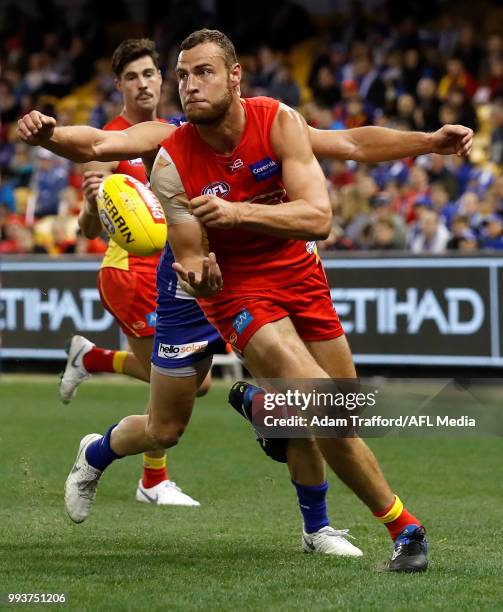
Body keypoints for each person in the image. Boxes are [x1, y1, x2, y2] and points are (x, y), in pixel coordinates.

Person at [17, 30, 472, 568]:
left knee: (333, 413)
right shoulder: (166, 149)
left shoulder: (276, 120)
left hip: (296, 273)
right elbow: (99, 152)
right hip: (210, 281)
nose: (186, 84)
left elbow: (345, 150)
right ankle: (405, 528)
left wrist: (427, 141)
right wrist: (46, 136)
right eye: (182, 75)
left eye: (198, 72)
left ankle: (296, 482)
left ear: (234, 75)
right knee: (177, 424)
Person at [59, 38, 200, 507]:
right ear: (119, 85)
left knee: (192, 381)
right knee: (173, 379)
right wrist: (95, 203)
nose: (143, 84)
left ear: (162, 78)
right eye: (132, 77)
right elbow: (84, 227)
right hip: (128, 273)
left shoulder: (178, 130)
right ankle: (152, 479)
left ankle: (90, 359)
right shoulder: (109, 140)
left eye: (149, 74)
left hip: (171, 273)